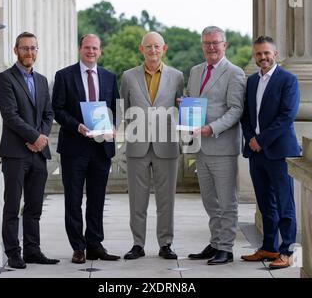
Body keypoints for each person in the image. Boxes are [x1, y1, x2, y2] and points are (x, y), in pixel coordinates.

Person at [52, 34, 120, 264]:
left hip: (101, 149)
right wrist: (78, 126)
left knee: (97, 198)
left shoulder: (110, 77)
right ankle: (78, 247)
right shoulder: (64, 76)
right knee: (73, 199)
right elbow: (58, 110)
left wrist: (113, 125)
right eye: (87, 47)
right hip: (74, 147)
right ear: (80, 49)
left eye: (95, 48)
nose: (91, 51)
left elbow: (116, 108)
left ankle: (94, 244)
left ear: (100, 51)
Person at [0, 32, 59, 269]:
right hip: (15, 153)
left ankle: (33, 250)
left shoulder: (42, 80)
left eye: (33, 48)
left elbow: (48, 113)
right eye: (24, 48)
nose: (29, 53)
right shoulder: (5, 78)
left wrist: (40, 139)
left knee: (34, 206)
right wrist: (33, 137)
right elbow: (10, 115)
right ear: (16, 50)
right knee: (12, 205)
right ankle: (13, 253)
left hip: (38, 154)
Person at [120, 32, 184, 260]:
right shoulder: (128, 76)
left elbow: (180, 110)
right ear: (141, 49)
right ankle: (138, 244)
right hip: (137, 146)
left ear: (164, 48)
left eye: (157, 46)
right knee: (137, 200)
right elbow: (125, 111)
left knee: (166, 199)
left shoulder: (177, 76)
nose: (153, 50)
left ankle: (166, 244)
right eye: (148, 47)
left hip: (166, 146)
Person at [186, 26, 245, 265]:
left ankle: (226, 248)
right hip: (201, 146)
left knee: (226, 201)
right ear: (202, 45)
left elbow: (236, 109)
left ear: (225, 45)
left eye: (216, 43)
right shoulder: (195, 71)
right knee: (210, 200)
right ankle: (215, 242)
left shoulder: (235, 72)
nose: (211, 47)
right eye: (207, 43)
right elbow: (197, 103)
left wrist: (212, 128)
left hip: (222, 146)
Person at [240, 36, 300, 269]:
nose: (263, 57)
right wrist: (251, 140)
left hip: (279, 151)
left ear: (275, 54)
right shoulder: (252, 81)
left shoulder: (288, 80)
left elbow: (287, 116)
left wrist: (261, 140)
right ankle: (268, 247)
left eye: (267, 53)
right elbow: (246, 116)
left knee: (285, 205)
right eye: (258, 54)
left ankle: (287, 251)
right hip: (256, 153)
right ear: (254, 56)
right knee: (265, 203)